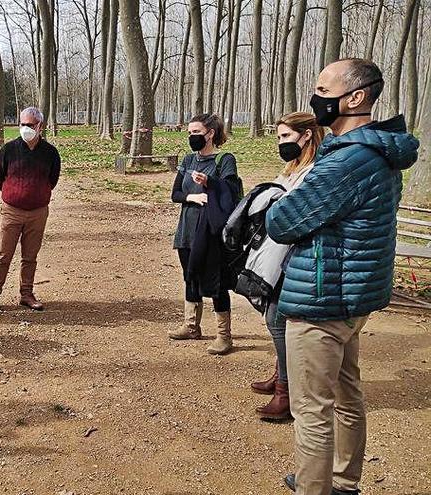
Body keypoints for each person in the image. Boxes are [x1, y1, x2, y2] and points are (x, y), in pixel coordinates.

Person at [266, 59, 419, 495]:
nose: (315, 99)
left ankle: (315, 488)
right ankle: (343, 481)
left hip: (322, 300)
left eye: (321, 88)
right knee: (348, 395)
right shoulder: (380, 152)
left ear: (354, 98)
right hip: (353, 297)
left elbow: (282, 222)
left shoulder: (347, 162)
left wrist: (286, 201)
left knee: (312, 408)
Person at [248, 112, 324, 420]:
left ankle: (286, 392)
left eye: (286, 137)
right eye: (279, 137)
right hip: (277, 253)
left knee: (276, 318)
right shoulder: (292, 168)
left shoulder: (315, 171)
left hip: (296, 257)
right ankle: (281, 374)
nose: (281, 143)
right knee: (272, 314)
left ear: (306, 136)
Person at [168, 113, 240, 355]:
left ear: (210, 133)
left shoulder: (224, 159)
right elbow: (175, 193)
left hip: (210, 231)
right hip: (187, 229)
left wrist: (210, 182)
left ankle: (224, 336)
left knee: (216, 280)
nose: (192, 137)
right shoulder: (188, 160)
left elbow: (231, 190)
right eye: (189, 133)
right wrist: (192, 196)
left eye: (196, 132)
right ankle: (191, 326)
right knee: (190, 276)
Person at [0, 107, 61, 315]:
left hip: (38, 212)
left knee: (30, 256)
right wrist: (14, 193)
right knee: (3, 255)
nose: (26, 128)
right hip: (11, 211)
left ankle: (26, 293)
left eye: (30, 125)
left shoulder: (50, 153)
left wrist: (37, 194)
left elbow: (52, 179)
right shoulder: (8, 150)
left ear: (40, 126)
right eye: (23, 124)